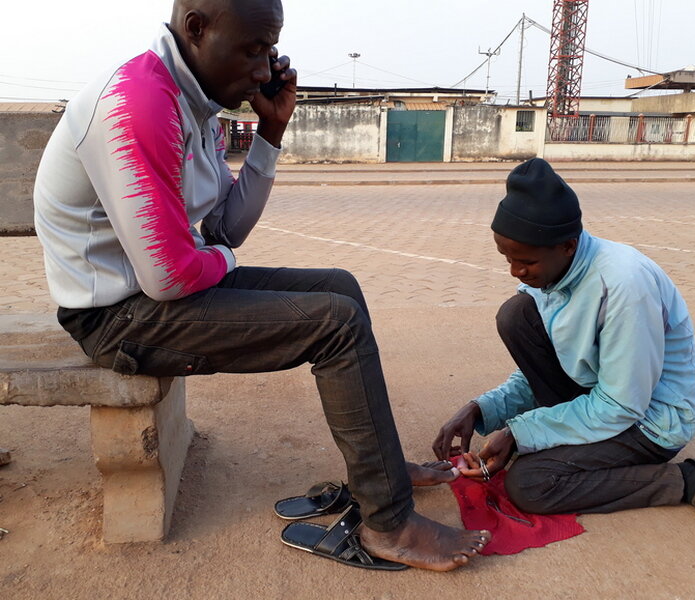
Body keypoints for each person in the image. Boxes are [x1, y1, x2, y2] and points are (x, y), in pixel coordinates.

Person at [33, 0, 490, 570]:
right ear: (197, 29)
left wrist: (271, 131)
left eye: (269, 50)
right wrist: (218, 256)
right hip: (116, 316)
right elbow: (173, 273)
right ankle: (388, 524)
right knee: (336, 326)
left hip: (158, 292)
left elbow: (226, 228)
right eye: (252, 49)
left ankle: (384, 472)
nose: (262, 68)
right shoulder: (140, 105)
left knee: (339, 288)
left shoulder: (194, 104)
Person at [433, 158, 695, 539]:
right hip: (603, 395)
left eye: (526, 261)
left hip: (648, 420)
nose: (516, 271)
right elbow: (552, 367)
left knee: (530, 484)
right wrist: (482, 408)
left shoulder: (624, 286)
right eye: (508, 258)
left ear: (567, 246)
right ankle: (560, 440)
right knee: (515, 314)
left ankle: (686, 480)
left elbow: (621, 406)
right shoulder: (550, 277)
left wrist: (520, 432)